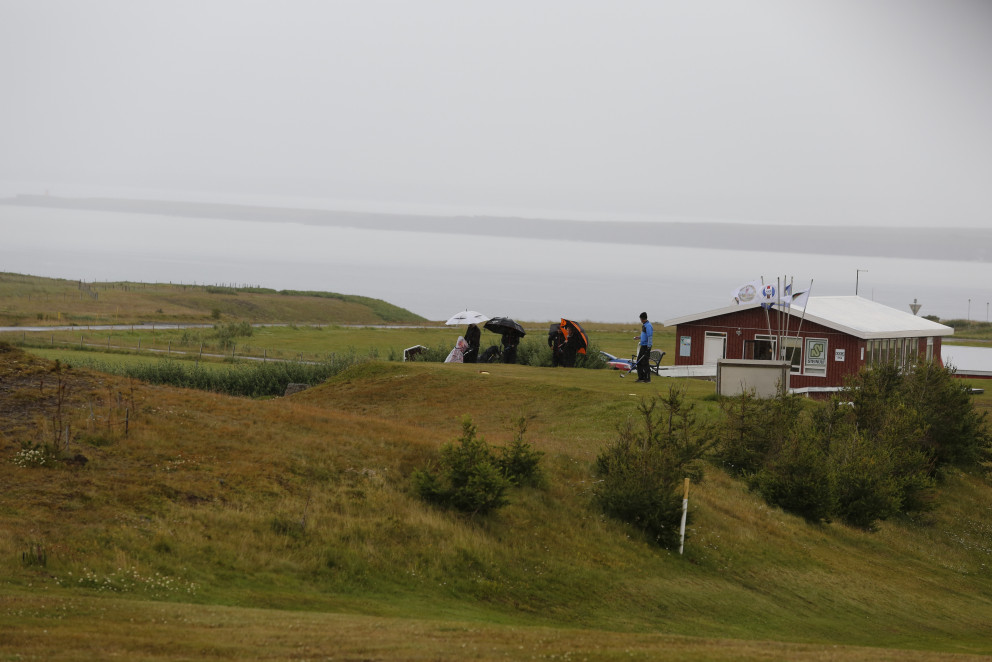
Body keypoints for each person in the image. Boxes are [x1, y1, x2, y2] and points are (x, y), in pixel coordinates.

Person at [634, 312, 653, 383]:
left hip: (646, 346)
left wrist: (648, 347)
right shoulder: (644, 325)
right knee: (639, 361)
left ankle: (647, 379)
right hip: (643, 345)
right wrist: (638, 337)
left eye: (640, 318)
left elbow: (650, 336)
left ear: (642, 318)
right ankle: (641, 377)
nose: (640, 320)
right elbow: (644, 335)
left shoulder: (648, 326)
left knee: (645, 362)